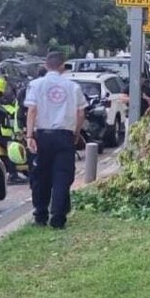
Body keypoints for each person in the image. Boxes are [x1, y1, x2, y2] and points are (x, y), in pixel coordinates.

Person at [25, 52, 86, 229]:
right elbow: (81, 112)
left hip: (42, 135)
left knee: (40, 176)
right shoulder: (73, 87)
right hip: (64, 136)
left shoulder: (35, 85)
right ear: (62, 66)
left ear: (45, 65)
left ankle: (40, 215)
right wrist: (76, 133)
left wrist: (29, 136)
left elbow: (32, 111)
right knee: (62, 177)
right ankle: (58, 217)